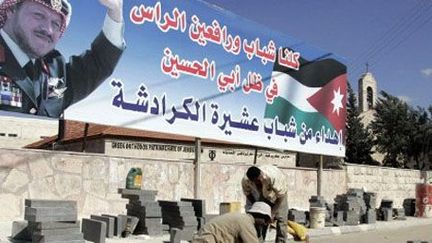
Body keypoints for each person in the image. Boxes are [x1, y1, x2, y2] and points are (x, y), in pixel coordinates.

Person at [0, 0, 125, 117]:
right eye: (38, 15)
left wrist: (115, 12)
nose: (48, 29)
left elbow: (99, 63)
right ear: (11, 10)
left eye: (55, 24)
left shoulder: (54, 68)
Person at [242, 165, 288, 243]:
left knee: (281, 220)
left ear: (261, 175)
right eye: (255, 181)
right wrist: (257, 206)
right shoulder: (246, 180)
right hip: (259, 196)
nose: (257, 182)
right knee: (260, 220)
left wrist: (273, 213)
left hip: (278, 195)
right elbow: (248, 193)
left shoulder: (273, 176)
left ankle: (281, 241)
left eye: (259, 180)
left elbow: (281, 196)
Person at [192, 201, 272, 243]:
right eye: (265, 220)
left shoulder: (243, 218)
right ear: (260, 216)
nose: (265, 224)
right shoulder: (247, 223)